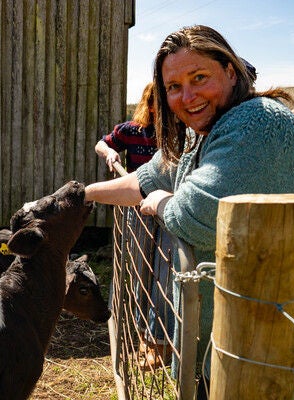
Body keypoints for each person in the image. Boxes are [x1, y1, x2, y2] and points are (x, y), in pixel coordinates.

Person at [84, 25, 294, 398]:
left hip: (284, 338)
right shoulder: (207, 131)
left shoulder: (259, 124)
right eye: (174, 86)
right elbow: (144, 179)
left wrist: (164, 201)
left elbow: (198, 216)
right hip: (240, 333)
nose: (188, 95)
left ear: (230, 71)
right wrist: (81, 196)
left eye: (200, 77)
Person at [94, 82, 174, 369]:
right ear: (149, 104)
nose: (162, 110)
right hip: (137, 208)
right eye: (157, 104)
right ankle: (140, 332)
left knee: (163, 275)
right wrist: (110, 154)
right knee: (139, 269)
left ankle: (159, 340)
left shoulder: (178, 131)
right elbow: (102, 143)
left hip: (166, 208)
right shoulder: (131, 130)